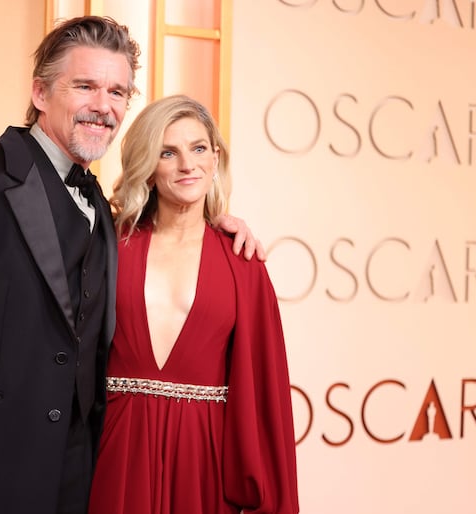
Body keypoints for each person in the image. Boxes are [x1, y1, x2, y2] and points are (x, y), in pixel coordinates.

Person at [0, 17, 263, 514]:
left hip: (80, 482)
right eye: (84, 86)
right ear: (40, 92)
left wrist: (215, 225)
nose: (103, 106)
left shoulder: (106, 215)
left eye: (117, 91)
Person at [87, 95, 299, 514]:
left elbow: (265, 397)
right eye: (169, 152)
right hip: (116, 451)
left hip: (204, 463)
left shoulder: (243, 264)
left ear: (215, 158)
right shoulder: (108, 248)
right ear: (148, 167)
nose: (187, 165)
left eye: (198, 149)